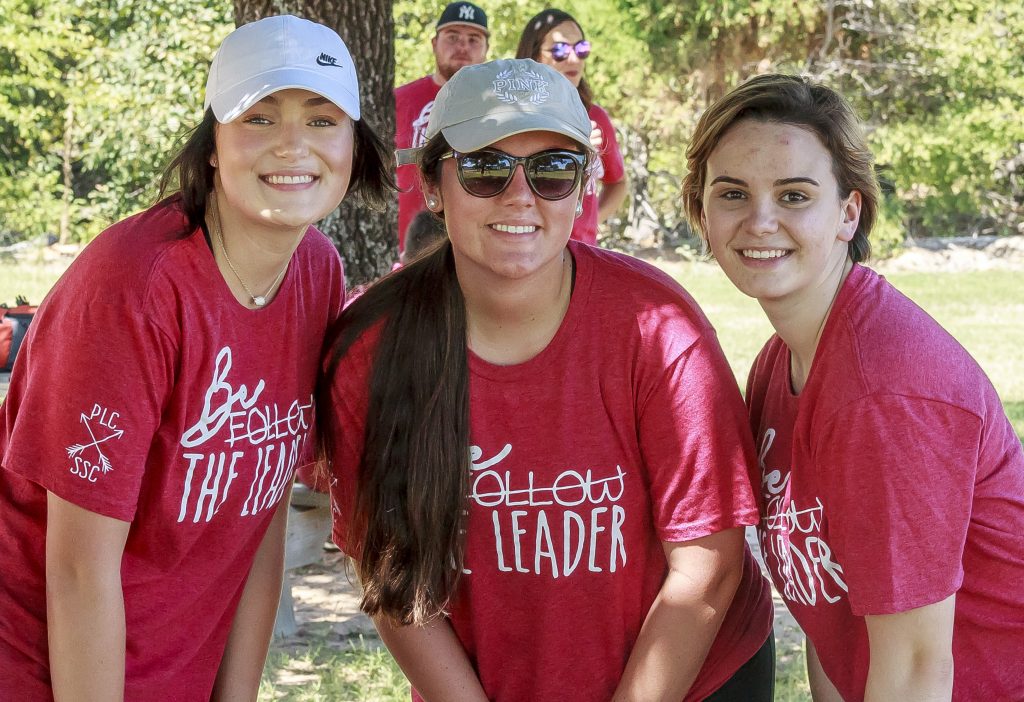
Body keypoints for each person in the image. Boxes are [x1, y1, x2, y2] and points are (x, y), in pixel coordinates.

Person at [321, 58, 774, 702]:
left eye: (554, 170)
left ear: (584, 186)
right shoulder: (370, 349)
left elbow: (708, 565)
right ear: (431, 186)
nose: (520, 196)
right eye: (484, 167)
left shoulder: (656, 326)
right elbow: (392, 577)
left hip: (692, 678)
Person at [0, 15, 391, 700]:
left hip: (175, 668)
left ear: (355, 146)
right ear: (213, 145)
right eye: (260, 118)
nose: (294, 145)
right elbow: (77, 572)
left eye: (323, 120)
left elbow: (261, 518)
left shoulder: (316, 272)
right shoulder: (132, 290)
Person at [682, 73, 1024, 701]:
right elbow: (832, 620)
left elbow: (920, 670)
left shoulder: (884, 393)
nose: (760, 221)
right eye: (732, 193)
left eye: (793, 195)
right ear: (700, 212)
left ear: (848, 211)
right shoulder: (781, 362)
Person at [516, 8, 627, 246]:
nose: (574, 59)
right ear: (534, 57)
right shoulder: (512, 116)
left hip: (581, 253)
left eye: (581, 48)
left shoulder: (595, 117)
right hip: (527, 249)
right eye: (559, 50)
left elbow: (618, 183)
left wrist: (591, 222)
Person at [395, 1, 489, 252]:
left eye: (473, 39)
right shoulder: (397, 100)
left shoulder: (497, 107)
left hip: (476, 249)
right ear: (434, 43)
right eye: (452, 37)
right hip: (404, 250)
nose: (462, 47)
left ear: (487, 49)